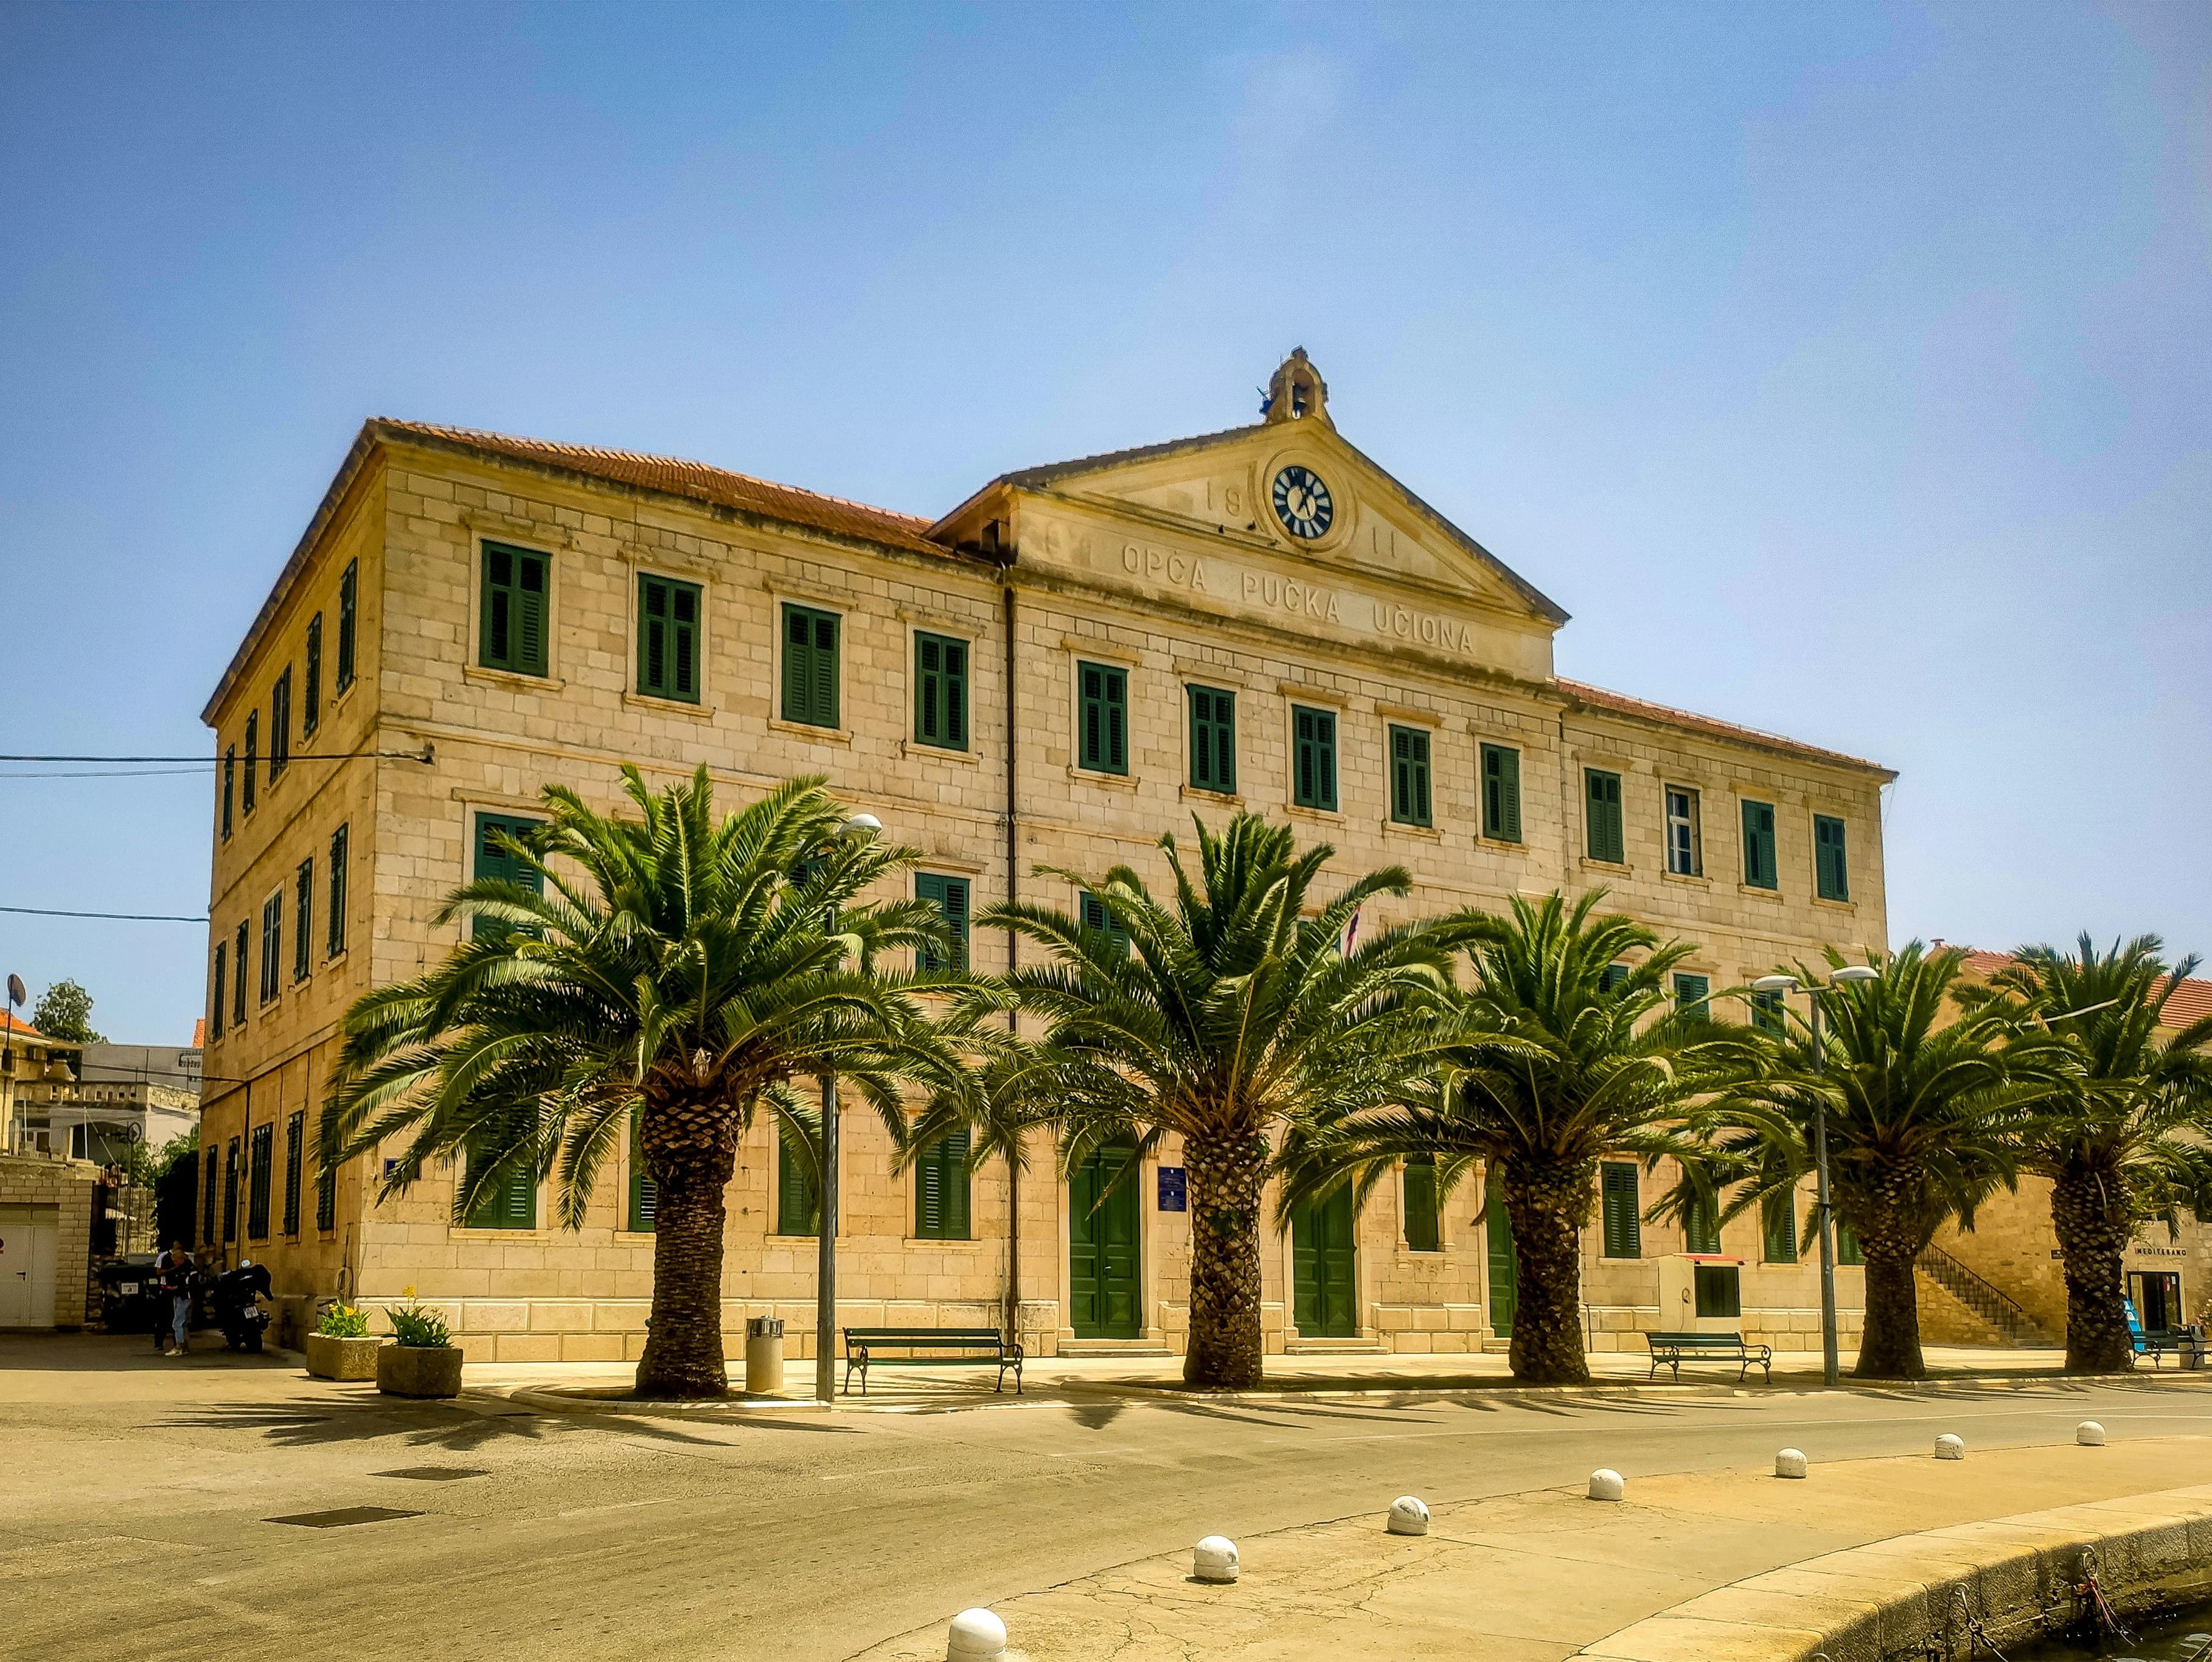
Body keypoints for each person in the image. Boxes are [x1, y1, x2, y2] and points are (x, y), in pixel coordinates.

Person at [154, 1238, 194, 1357]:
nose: (175, 1264)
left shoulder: (185, 1269)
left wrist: (174, 1288)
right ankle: (185, 1347)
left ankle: (179, 1347)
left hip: (184, 1297)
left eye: (176, 1261)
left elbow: (184, 1284)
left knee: (177, 1323)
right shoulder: (188, 1267)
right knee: (183, 1323)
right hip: (183, 1296)